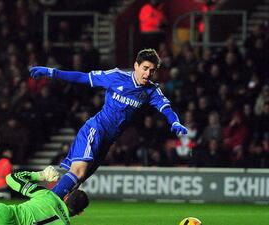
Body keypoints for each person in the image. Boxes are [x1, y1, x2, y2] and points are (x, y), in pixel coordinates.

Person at [29, 48, 188, 198]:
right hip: (95, 129)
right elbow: (83, 77)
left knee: (76, 183)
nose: (148, 73)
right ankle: (43, 204)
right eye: (145, 68)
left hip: (107, 142)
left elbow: (166, 108)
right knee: (78, 172)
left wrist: (175, 122)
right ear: (136, 66)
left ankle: (47, 212)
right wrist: (52, 72)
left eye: (152, 71)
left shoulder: (151, 91)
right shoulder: (116, 76)